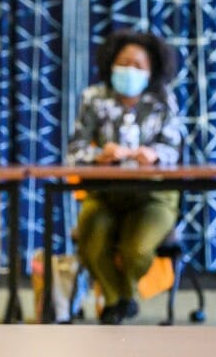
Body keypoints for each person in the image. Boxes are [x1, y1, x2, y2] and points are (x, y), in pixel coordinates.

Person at [66, 29, 185, 324]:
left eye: (138, 65)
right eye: (123, 62)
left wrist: (153, 154)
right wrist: (100, 155)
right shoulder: (94, 98)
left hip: (153, 196)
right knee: (91, 243)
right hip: (104, 193)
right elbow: (74, 151)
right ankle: (120, 299)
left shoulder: (162, 99)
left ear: (151, 69)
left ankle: (119, 298)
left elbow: (174, 149)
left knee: (137, 250)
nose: (129, 70)